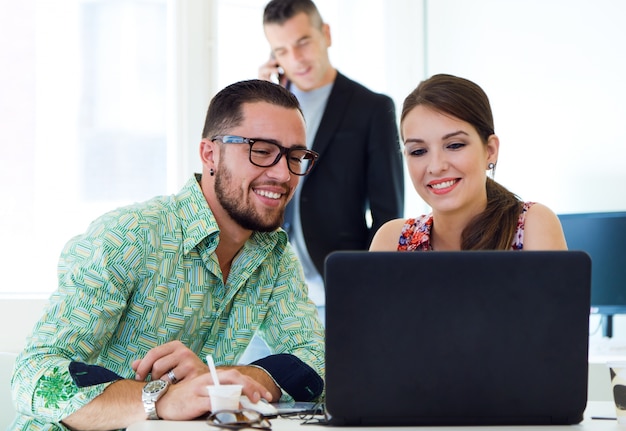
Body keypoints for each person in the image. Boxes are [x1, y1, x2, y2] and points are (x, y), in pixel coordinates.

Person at [10, 79, 325, 430]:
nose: (283, 173)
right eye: (262, 150)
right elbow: (33, 374)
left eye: (296, 156)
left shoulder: (274, 255)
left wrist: (221, 378)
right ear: (210, 154)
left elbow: (316, 359)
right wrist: (161, 398)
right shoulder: (129, 235)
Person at [258, 0, 405, 315]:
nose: (296, 59)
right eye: (282, 51)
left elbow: (388, 213)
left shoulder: (373, 108)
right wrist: (262, 100)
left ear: (326, 34)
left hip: (336, 289)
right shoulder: (267, 107)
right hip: (267, 293)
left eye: (303, 42)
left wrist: (365, 283)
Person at [370, 74, 567, 252]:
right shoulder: (392, 241)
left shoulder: (532, 225)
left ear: (490, 150)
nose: (436, 166)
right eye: (419, 151)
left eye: (454, 145)